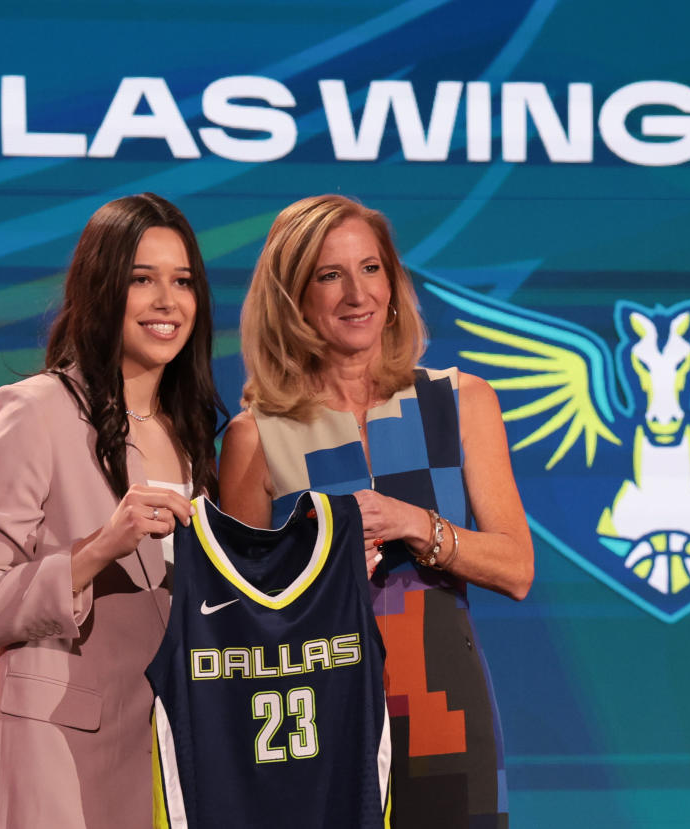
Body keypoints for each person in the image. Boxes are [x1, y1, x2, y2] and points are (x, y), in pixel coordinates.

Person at [219, 194, 534, 827]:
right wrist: (322, 583)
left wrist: (417, 525)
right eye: (328, 276)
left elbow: (516, 568)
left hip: (446, 715)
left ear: (392, 284)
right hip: (317, 725)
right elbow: (237, 623)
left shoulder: (459, 402)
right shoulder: (258, 436)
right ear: (293, 297)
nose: (355, 294)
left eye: (370, 269)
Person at [0, 193, 222, 829]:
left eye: (182, 282)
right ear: (101, 289)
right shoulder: (33, 410)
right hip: (53, 760)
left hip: (165, 760)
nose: (166, 302)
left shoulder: (194, 432)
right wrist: (98, 547)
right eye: (141, 280)